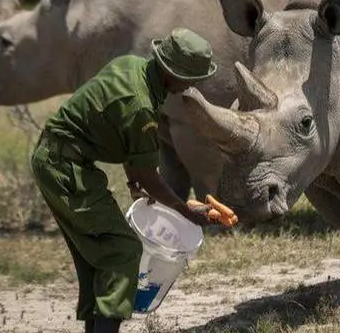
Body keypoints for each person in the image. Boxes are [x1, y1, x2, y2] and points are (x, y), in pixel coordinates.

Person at [30, 27, 217, 333]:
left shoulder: (131, 66)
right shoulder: (141, 106)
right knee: (122, 251)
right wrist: (184, 209)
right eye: (193, 78)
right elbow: (146, 171)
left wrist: (135, 184)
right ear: (176, 73)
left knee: (100, 257)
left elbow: (130, 150)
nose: (193, 84)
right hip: (65, 168)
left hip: (60, 160)